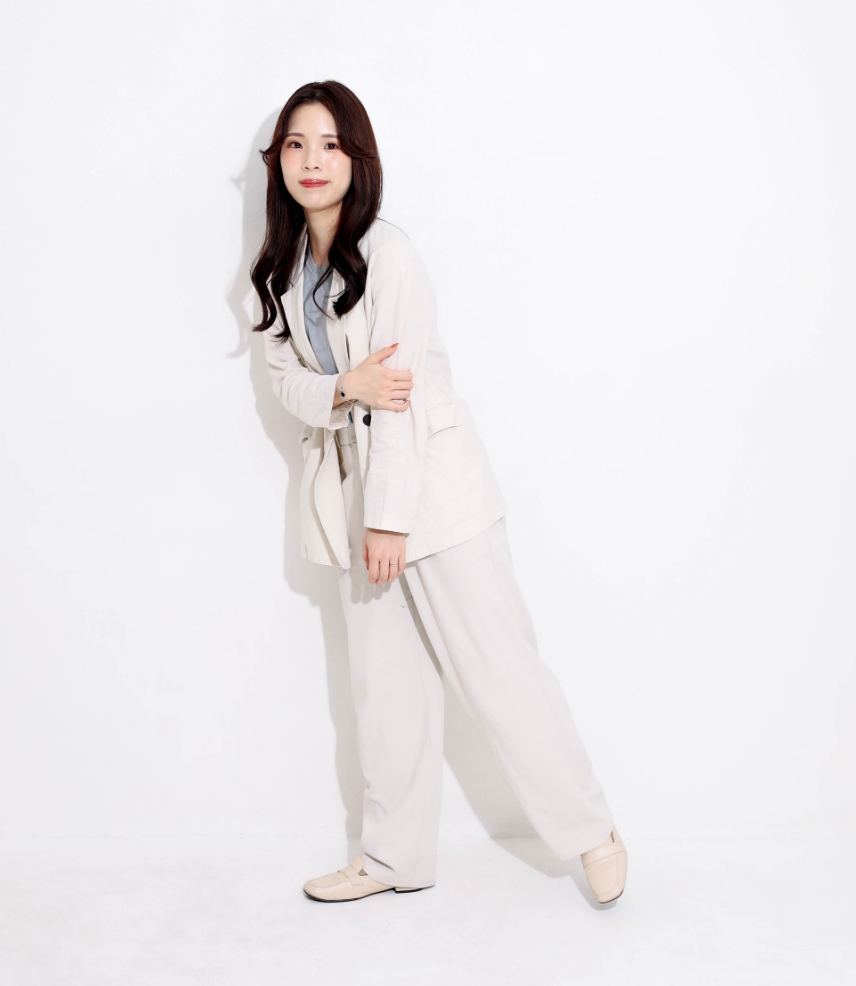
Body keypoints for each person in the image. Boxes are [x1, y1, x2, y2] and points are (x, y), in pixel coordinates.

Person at [252, 80, 627, 905]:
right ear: (276, 161)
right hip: (353, 501)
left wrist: (390, 519)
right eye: (296, 145)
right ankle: (392, 859)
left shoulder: (389, 255)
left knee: (498, 672)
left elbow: (403, 395)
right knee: (384, 688)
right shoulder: (277, 272)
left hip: (432, 490)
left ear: (358, 158)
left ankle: (592, 833)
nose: (312, 161)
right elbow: (286, 383)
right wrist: (342, 387)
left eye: (330, 145)